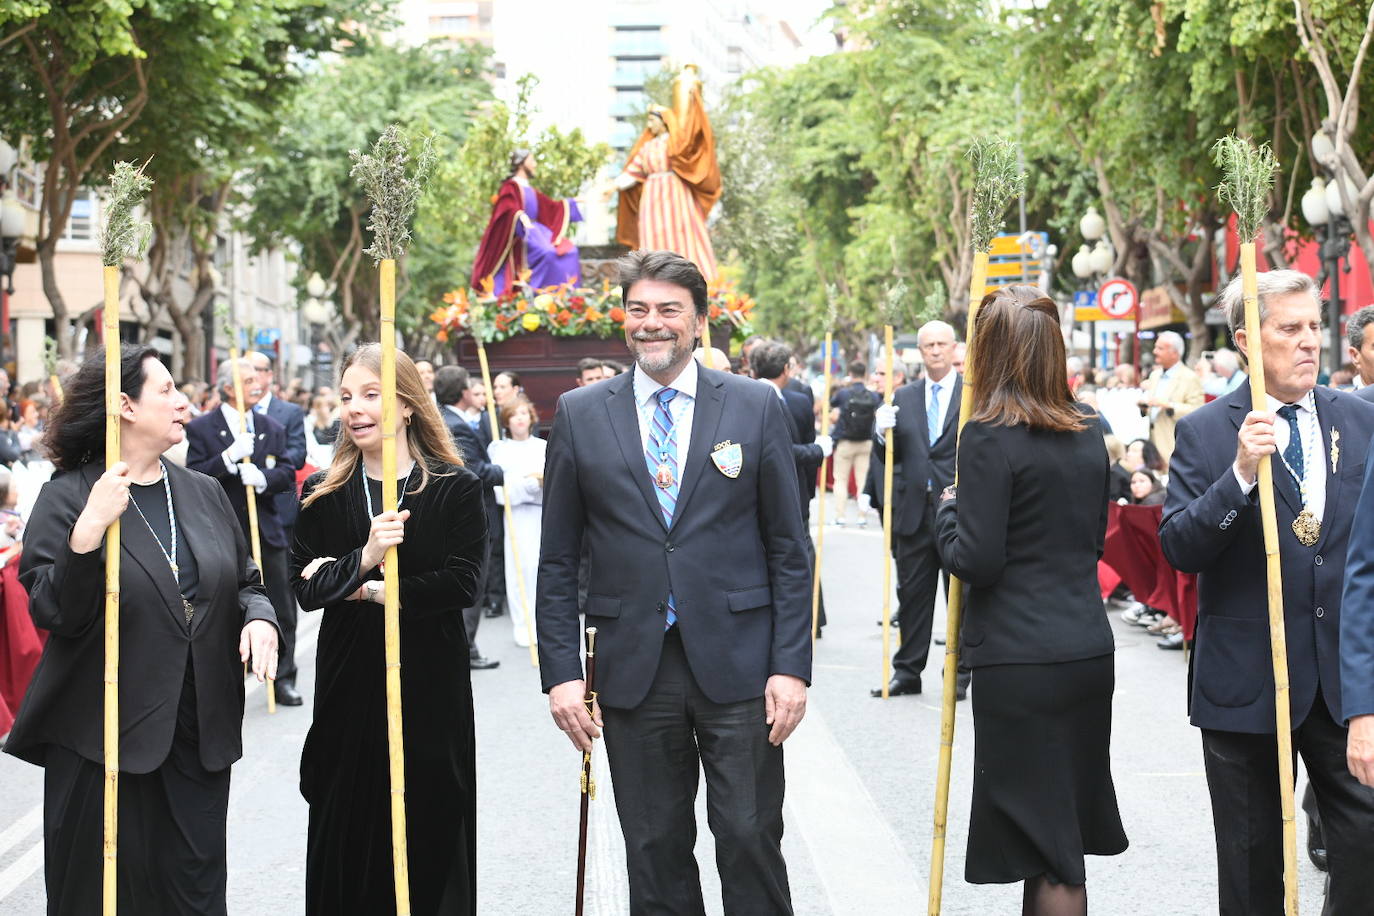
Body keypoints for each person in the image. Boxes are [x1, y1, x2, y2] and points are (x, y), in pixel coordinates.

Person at [537, 250, 812, 914]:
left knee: (749, 836)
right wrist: (562, 673)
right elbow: (556, 559)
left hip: (741, 662)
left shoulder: (754, 406)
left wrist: (791, 666)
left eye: (668, 310)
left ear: (698, 321)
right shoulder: (579, 414)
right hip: (634, 666)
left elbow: (789, 548)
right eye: (638, 310)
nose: (651, 324)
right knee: (654, 847)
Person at [5, 345, 279, 915]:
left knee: (195, 893)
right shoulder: (69, 495)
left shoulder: (202, 492)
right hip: (104, 732)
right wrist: (88, 532)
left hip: (197, 729)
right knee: (103, 893)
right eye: (168, 391)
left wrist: (259, 618)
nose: (185, 403)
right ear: (125, 406)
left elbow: (246, 580)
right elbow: (54, 610)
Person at [1159, 269, 1374, 914]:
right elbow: (1179, 547)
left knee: (1364, 844)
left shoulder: (1359, 418)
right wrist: (1239, 477)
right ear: (1249, 340)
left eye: (1315, 327)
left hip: (1343, 682)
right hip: (1246, 679)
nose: (1310, 342)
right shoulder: (1204, 430)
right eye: (1290, 329)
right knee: (1253, 865)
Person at [934, 286, 1127, 915]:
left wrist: (947, 514)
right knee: (1059, 836)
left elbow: (977, 560)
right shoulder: (1089, 425)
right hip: (1085, 649)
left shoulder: (988, 435)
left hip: (1019, 659)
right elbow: (1093, 538)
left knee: (1049, 848)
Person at [291, 343, 486, 915]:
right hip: (349, 679)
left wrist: (368, 589)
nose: (355, 408)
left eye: (371, 395)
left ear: (406, 405)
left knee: (430, 817)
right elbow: (305, 588)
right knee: (348, 817)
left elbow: (461, 585)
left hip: (431, 678)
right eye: (347, 396)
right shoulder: (323, 491)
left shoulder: (453, 486)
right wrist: (367, 556)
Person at [185, 359, 299, 705]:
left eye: (257, 378)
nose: (256, 385)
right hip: (222, 531)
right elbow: (194, 476)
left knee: (281, 605)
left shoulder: (270, 426)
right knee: (225, 607)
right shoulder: (203, 428)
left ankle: (284, 677)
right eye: (247, 380)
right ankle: (228, 677)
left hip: (265, 530)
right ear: (228, 387)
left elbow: (286, 472)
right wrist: (228, 459)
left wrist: (264, 478)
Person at [870, 319, 965, 699]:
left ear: (955, 348)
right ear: (920, 352)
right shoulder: (903, 397)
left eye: (943, 344)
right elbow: (888, 457)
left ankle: (958, 673)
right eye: (929, 345)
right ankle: (907, 671)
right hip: (912, 510)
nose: (936, 351)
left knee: (959, 596)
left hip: (957, 510)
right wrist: (879, 432)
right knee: (911, 597)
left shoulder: (971, 394)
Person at [611, 67, 721, 282]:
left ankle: (690, 278)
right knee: (653, 235)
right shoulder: (648, 147)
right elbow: (632, 173)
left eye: (653, 120)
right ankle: (654, 279)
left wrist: (690, 91)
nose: (649, 124)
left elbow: (692, 132)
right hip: (652, 197)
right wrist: (611, 187)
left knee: (682, 233)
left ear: (663, 121)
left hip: (676, 195)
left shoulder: (676, 144)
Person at [248, 349, 309, 706]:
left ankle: (284, 675)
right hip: (236, 520)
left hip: (277, 519)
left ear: (270, 375)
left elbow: (296, 456)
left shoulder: (288, 413)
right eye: (246, 372)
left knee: (281, 601)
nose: (252, 379)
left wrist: (263, 470)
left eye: (258, 371)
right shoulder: (226, 418)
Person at [435, 365, 504, 670]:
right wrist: (505, 470)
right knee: (471, 583)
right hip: (470, 514)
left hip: (455, 515)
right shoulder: (455, 424)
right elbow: (473, 470)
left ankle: (464, 646)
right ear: (463, 392)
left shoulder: (448, 418)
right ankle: (465, 648)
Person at [471, 149, 583, 295]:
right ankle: (539, 293)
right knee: (547, 252)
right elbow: (506, 209)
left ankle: (566, 295)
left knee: (570, 251)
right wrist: (519, 216)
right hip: (524, 232)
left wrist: (573, 202)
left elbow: (551, 207)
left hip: (539, 232)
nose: (535, 164)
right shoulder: (510, 187)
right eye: (532, 161)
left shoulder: (530, 189)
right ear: (521, 164)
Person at [488, 396, 544, 648]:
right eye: (514, 414)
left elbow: (549, 482)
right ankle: (522, 625)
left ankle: (540, 623)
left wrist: (533, 484)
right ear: (507, 421)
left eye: (524, 413)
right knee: (518, 569)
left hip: (540, 514)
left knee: (539, 569)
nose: (520, 418)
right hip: (515, 515)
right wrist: (529, 484)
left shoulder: (542, 446)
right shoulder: (499, 449)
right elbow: (502, 489)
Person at [1137, 331, 1204, 465]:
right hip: (1153, 445)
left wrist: (1169, 406)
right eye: (1155, 347)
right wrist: (1144, 407)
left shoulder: (1190, 378)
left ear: (1175, 353)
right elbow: (1153, 405)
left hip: (1173, 445)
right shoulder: (1155, 375)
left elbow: (1198, 411)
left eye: (1160, 348)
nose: (1155, 351)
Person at [829, 360, 877, 527]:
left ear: (850, 374)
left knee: (840, 479)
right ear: (865, 374)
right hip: (866, 442)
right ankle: (862, 516)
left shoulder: (844, 394)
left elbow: (831, 403)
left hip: (845, 441)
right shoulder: (873, 395)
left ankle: (840, 516)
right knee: (862, 480)